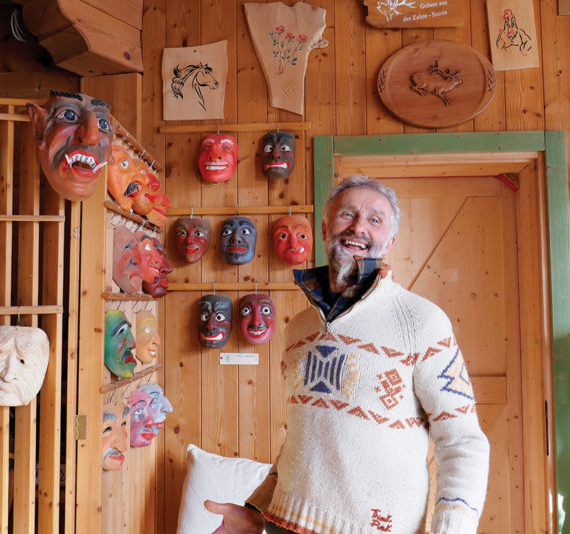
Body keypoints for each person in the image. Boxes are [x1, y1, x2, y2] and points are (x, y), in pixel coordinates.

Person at [205, 175, 490, 534]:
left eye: (374, 219)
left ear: (390, 240)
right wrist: (255, 511)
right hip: (285, 526)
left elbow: (463, 441)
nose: (358, 227)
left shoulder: (421, 322)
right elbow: (303, 438)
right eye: (347, 214)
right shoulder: (300, 329)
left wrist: (452, 530)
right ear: (325, 228)